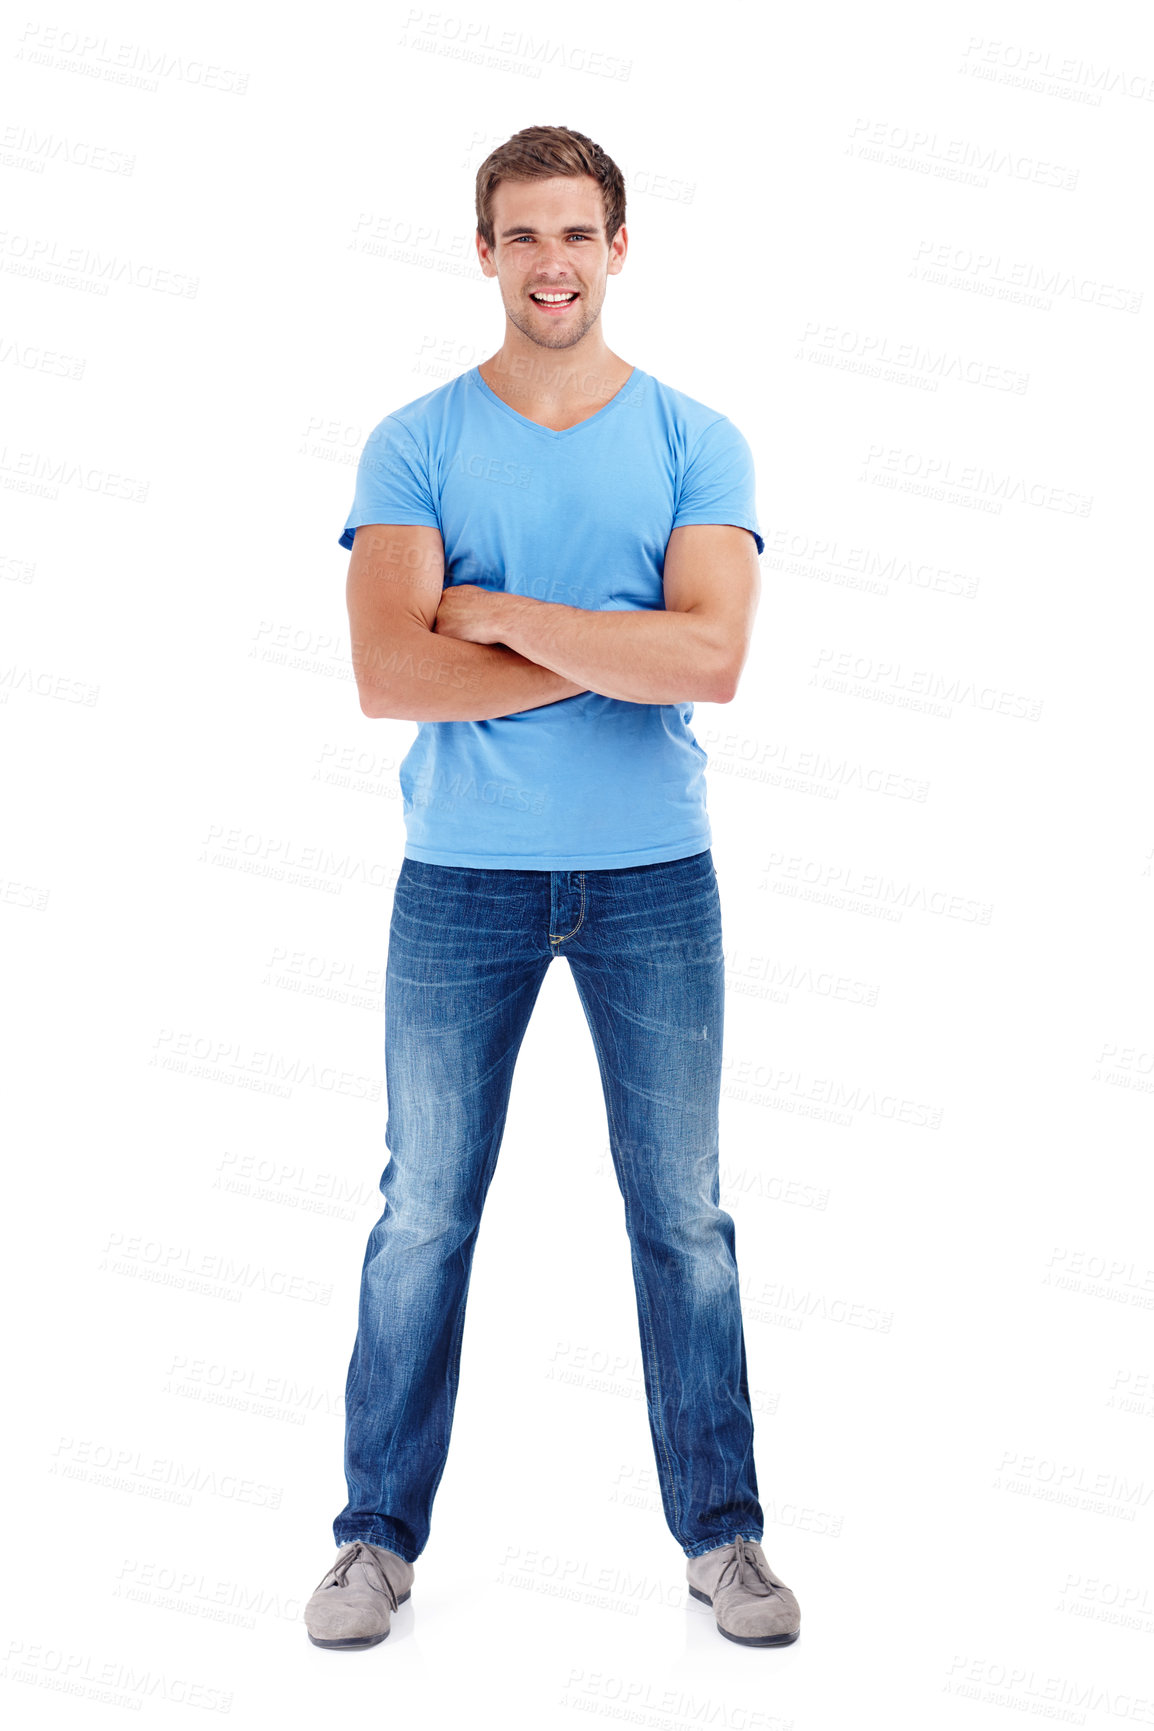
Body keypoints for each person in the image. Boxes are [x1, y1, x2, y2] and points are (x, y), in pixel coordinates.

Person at [304, 124, 801, 1653]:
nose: (550, 264)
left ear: (618, 248)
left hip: (655, 877)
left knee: (682, 1220)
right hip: (459, 884)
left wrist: (503, 620)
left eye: (575, 234)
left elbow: (709, 660)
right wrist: (606, 643)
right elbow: (391, 674)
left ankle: (724, 1539)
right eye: (522, 237)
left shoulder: (693, 439)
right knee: (422, 1219)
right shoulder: (415, 442)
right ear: (483, 252)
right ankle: (373, 1541)